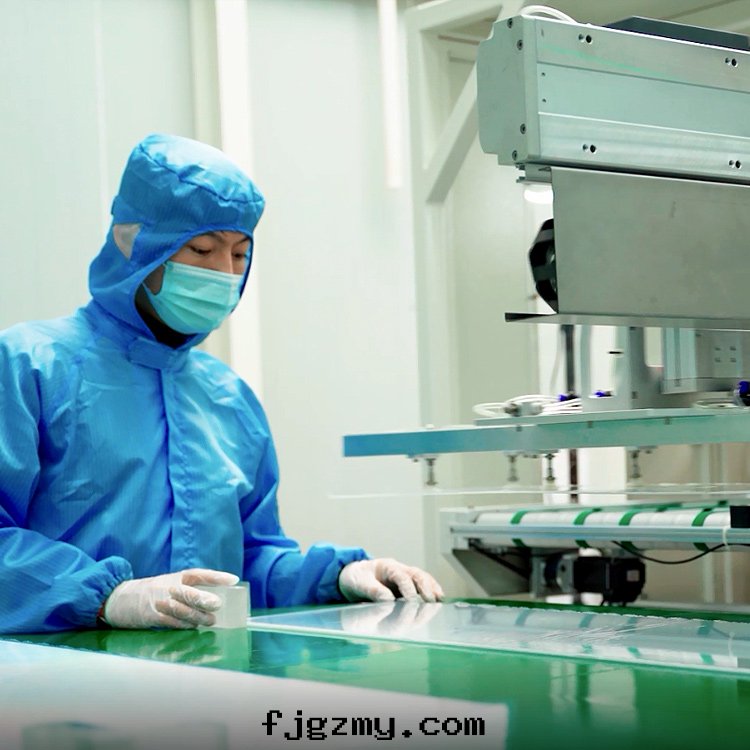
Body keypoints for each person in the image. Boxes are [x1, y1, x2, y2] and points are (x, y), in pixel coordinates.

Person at [0, 133, 443, 633]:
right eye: (202, 249)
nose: (223, 273)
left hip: (207, 675)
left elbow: (249, 565)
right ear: (134, 244)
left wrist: (338, 576)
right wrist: (105, 596)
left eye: (239, 254)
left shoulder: (229, 399)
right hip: (61, 673)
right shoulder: (29, 366)